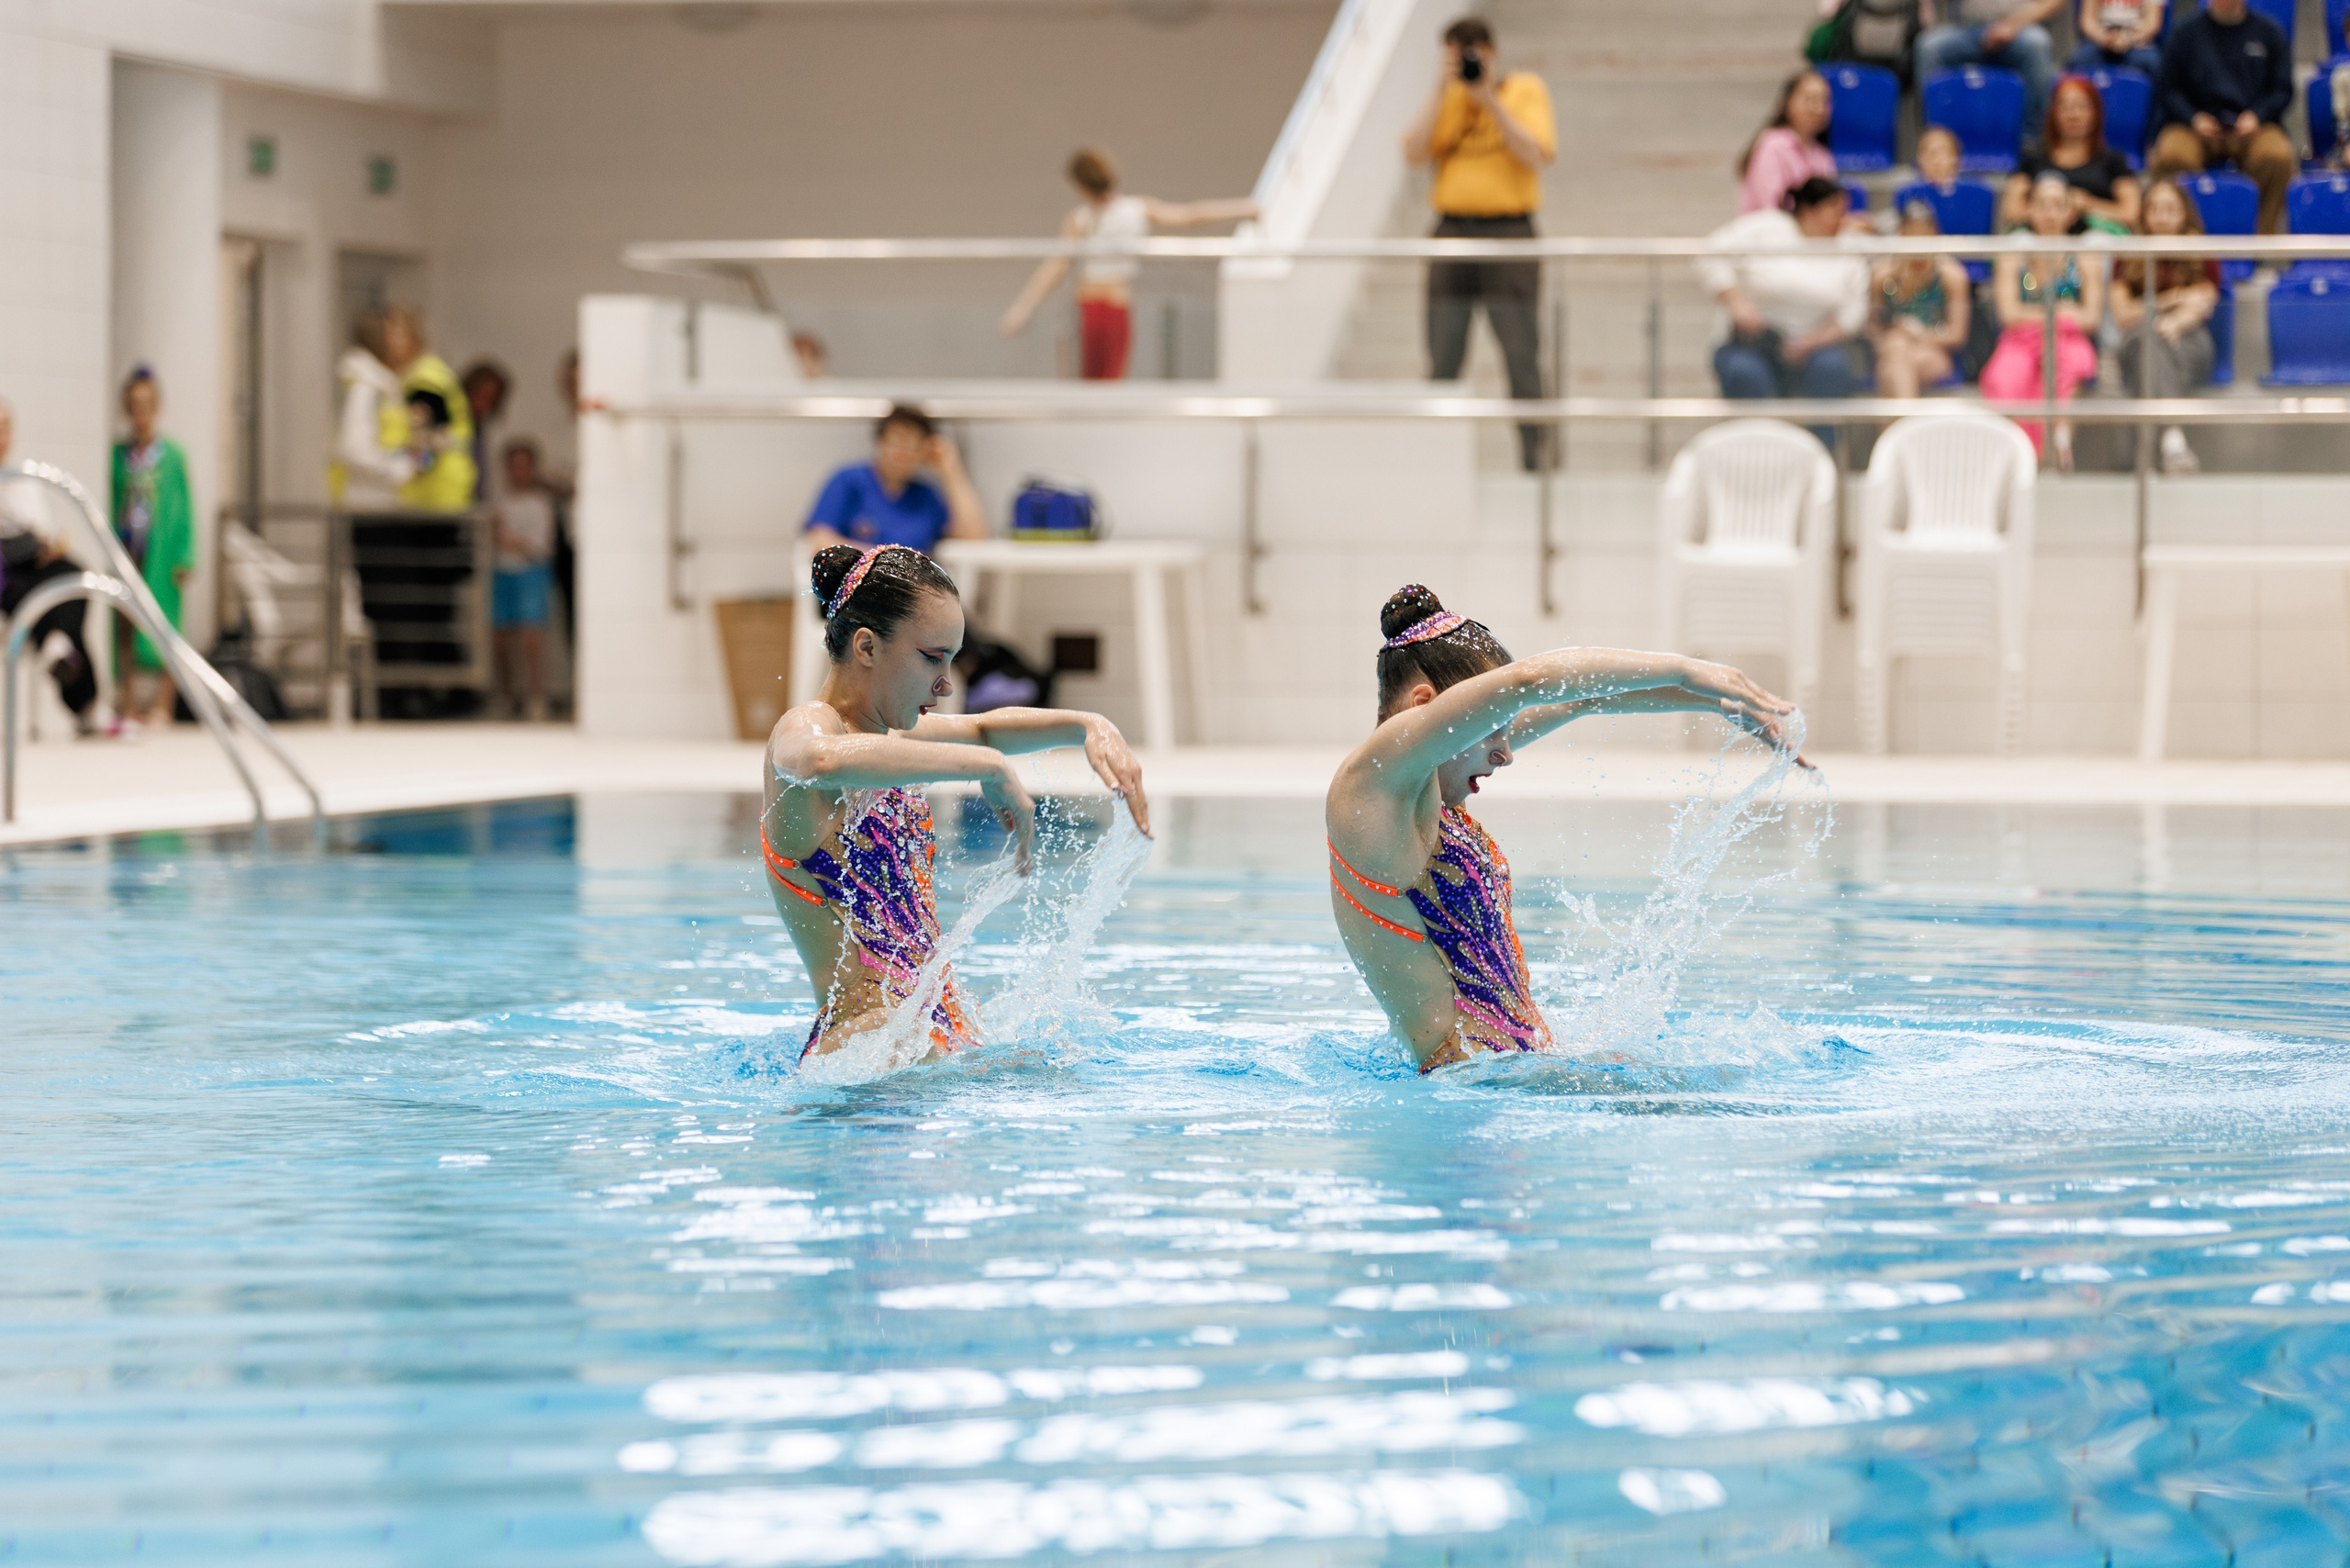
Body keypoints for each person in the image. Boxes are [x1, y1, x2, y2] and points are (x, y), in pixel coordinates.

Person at [1324, 585, 1804, 1074]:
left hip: (1508, 1077)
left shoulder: (1424, 794)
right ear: (1425, 708)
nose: (1505, 754)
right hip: (1469, 1085)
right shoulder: (1370, 790)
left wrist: (1720, 703)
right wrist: (1688, 668)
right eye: (1492, 728)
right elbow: (1529, 681)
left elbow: (1579, 701)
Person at [762, 543, 1151, 1063]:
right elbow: (814, 761)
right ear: (867, 647)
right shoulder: (809, 727)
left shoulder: (890, 735)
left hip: (933, 1035)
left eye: (951, 659)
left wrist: (1089, 724)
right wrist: (984, 767)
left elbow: (984, 728)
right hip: (872, 1048)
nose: (946, 683)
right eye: (931, 658)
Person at [1403, 16, 1558, 472]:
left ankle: (1534, 460)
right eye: (1458, 53)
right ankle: (1433, 461)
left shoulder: (1524, 90)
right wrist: (1439, 89)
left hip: (1509, 233)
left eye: (1475, 51)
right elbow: (1413, 154)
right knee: (1443, 352)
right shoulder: (1445, 100)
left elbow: (1535, 153)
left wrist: (1488, 99)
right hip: (1452, 232)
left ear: (1493, 51)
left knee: (1521, 353)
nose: (1469, 61)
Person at [998, 148, 1258, 381]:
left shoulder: (1081, 219)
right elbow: (1190, 214)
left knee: (1092, 385)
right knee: (1106, 383)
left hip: (1092, 307)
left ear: (1081, 188)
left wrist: (1023, 307)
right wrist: (1242, 208)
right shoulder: (1134, 209)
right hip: (1114, 306)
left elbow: (1056, 265)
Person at [1698, 177, 1872, 432]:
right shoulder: (1765, 227)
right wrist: (1737, 304)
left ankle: (1823, 457)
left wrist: (1813, 340)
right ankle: (1755, 458)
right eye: (1834, 211)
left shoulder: (1848, 248)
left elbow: (1854, 312)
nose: (1841, 218)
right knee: (1745, 373)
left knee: (1833, 369)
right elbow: (1709, 253)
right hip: (1752, 341)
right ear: (1809, 210)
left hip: (1815, 345)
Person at [1981, 171, 2107, 467]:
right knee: (2005, 377)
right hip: (2019, 342)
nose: (2050, 212)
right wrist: (2060, 312)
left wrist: (2044, 318)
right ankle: (2017, 458)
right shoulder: (2012, 256)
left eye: (2057, 205)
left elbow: (2090, 318)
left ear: (2069, 211)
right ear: (2030, 209)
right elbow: (2009, 314)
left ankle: (2058, 448)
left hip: (2068, 339)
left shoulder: (2086, 257)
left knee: (2067, 363)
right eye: (2042, 204)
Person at [2147, 0, 2295, 234]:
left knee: (2277, 157)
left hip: (2253, 126)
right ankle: (2189, 240)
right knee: (2171, 155)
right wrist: (2193, 117)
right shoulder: (2184, 33)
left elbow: (2282, 89)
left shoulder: (2269, 32)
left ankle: (2257, 243)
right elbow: (2168, 89)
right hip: (2194, 126)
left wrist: (2258, 115)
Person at [0, 400, 100, 735]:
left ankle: (55, 645)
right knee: (30, 596)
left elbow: (41, 529)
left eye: (4, 429)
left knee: (74, 578)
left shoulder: (24, 478)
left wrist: (46, 545)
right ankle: (88, 705)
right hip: (5, 574)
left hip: (33, 562)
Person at [2111, 175, 2221, 473]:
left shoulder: (2201, 254)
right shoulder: (2127, 256)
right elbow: (2122, 315)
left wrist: (2173, 322)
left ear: (2185, 214)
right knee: (2148, 343)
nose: (2162, 217)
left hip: (2188, 340)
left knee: (2149, 349)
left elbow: (2203, 302)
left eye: (2170, 210)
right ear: (2144, 214)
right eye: (2155, 209)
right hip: (2140, 340)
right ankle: (2173, 441)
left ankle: (2140, 454)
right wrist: (2170, 301)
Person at [109, 368, 196, 728]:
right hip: (131, 546)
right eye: (133, 405)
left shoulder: (171, 455)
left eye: (146, 404)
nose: (139, 411)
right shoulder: (119, 454)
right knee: (126, 624)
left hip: (162, 552)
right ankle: (127, 703)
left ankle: (164, 704)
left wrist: (186, 553)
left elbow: (185, 506)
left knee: (166, 626)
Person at [802, 404, 986, 554]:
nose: (903, 452)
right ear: (880, 441)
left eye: (914, 445)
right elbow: (819, 540)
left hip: (912, 594)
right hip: (853, 590)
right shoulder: (848, 480)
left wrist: (951, 469)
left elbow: (974, 539)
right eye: (897, 441)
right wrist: (887, 559)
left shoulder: (926, 496)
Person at [2000, 74, 2141, 232]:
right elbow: (2011, 212)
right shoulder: (2032, 160)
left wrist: (2087, 204)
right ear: (2054, 113)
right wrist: (2051, 210)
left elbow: (2131, 214)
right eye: (2065, 107)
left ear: (2095, 113)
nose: (2073, 115)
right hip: (2042, 243)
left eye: (2081, 107)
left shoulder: (2114, 161)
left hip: (2096, 241)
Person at [1871, 201, 1974, 396]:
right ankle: (1906, 421)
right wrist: (1885, 344)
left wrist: (1917, 333)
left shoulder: (1950, 276)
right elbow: (1874, 325)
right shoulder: (1882, 275)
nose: (1917, 242)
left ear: (1933, 233)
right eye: (1911, 234)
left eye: (1922, 234)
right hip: (1892, 350)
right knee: (1894, 355)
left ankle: (1896, 425)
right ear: (1901, 234)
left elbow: (1957, 335)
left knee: (1892, 366)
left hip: (1934, 352)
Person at [1916, 0, 2063, 133]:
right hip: (1968, 28)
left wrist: (2013, 23)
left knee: (2037, 43)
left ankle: (2030, 138)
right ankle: (1935, 137)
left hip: (2020, 28)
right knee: (1929, 47)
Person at [382, 307, 476, 511]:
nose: (388, 346)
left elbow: (426, 440)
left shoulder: (423, 378)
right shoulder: (427, 370)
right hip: (442, 490)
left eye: (393, 337)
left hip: (435, 493)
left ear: (411, 338)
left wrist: (404, 471)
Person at [491, 438, 557, 720]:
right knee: (500, 639)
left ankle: (536, 696)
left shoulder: (541, 503)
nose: (519, 471)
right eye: (513, 466)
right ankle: (506, 696)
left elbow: (541, 546)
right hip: (501, 572)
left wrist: (510, 539)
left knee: (532, 639)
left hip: (532, 573)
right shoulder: (499, 500)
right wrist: (508, 540)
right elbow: (494, 541)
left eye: (524, 466)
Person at [332, 309, 414, 510]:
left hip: (379, 499)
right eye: (398, 334)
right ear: (381, 339)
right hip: (366, 503)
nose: (406, 342)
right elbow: (355, 449)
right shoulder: (366, 386)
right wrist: (401, 468)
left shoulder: (381, 384)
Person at [1739, 70, 1838, 215]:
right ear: (1788, 103)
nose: (1819, 109)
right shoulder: (1772, 146)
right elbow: (1771, 209)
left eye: (1824, 101)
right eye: (1810, 100)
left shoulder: (1822, 155)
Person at [460, 359, 511, 505]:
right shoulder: (450, 423)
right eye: (480, 396)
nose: (483, 404)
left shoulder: (485, 428)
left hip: (476, 504)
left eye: (490, 399)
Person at [2069, 0, 2165, 73]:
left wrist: (2128, 39)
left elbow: (2152, 24)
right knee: (2078, 61)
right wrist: (2105, 39)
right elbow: (2087, 21)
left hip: (2137, 41)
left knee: (2152, 64)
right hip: (2101, 41)